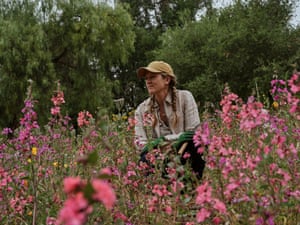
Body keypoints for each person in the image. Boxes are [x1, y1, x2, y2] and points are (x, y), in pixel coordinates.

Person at [134, 60, 205, 179]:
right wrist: (167, 140)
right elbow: (140, 144)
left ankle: (192, 187)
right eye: (146, 78)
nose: (148, 81)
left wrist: (164, 143)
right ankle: (156, 195)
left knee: (195, 145)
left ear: (167, 80)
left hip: (185, 152)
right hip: (158, 157)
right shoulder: (141, 110)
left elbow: (193, 133)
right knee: (144, 158)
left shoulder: (185, 98)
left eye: (153, 77)